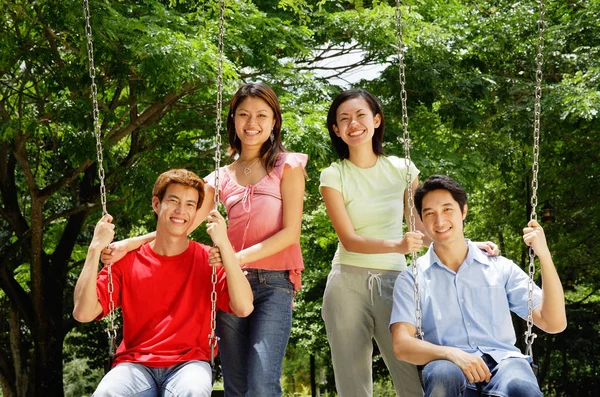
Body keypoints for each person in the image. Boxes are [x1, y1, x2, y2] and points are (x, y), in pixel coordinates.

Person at [101, 82, 307, 396]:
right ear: (233, 121)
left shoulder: (287, 166)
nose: (252, 123)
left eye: (262, 115)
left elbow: (291, 233)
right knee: (236, 385)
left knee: (263, 383)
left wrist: (233, 259)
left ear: (274, 121)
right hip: (227, 285)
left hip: (272, 283)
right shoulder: (220, 177)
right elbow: (180, 224)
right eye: (244, 115)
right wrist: (130, 244)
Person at [319, 89, 498, 397]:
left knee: (413, 379)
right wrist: (397, 246)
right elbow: (348, 239)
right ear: (336, 129)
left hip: (397, 283)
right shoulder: (333, 175)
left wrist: (465, 244)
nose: (353, 124)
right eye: (344, 119)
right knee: (352, 383)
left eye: (361, 115)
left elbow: (422, 228)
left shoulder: (402, 170)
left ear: (376, 120)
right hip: (347, 282)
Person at [73, 169, 254, 397]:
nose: (181, 211)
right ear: (156, 204)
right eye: (173, 201)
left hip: (189, 365)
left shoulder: (210, 260)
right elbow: (82, 313)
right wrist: (94, 250)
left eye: (190, 204)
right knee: (106, 393)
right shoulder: (127, 261)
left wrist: (225, 245)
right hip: (135, 364)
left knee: (193, 392)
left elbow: (245, 307)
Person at [390, 174, 567, 397]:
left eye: (447, 209)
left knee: (520, 384)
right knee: (443, 375)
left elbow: (554, 322)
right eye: (430, 214)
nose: (440, 221)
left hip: (504, 363)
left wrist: (544, 255)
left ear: (463, 211)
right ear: (423, 222)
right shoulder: (412, 279)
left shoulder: (499, 267)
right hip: (449, 367)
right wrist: (452, 354)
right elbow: (401, 344)